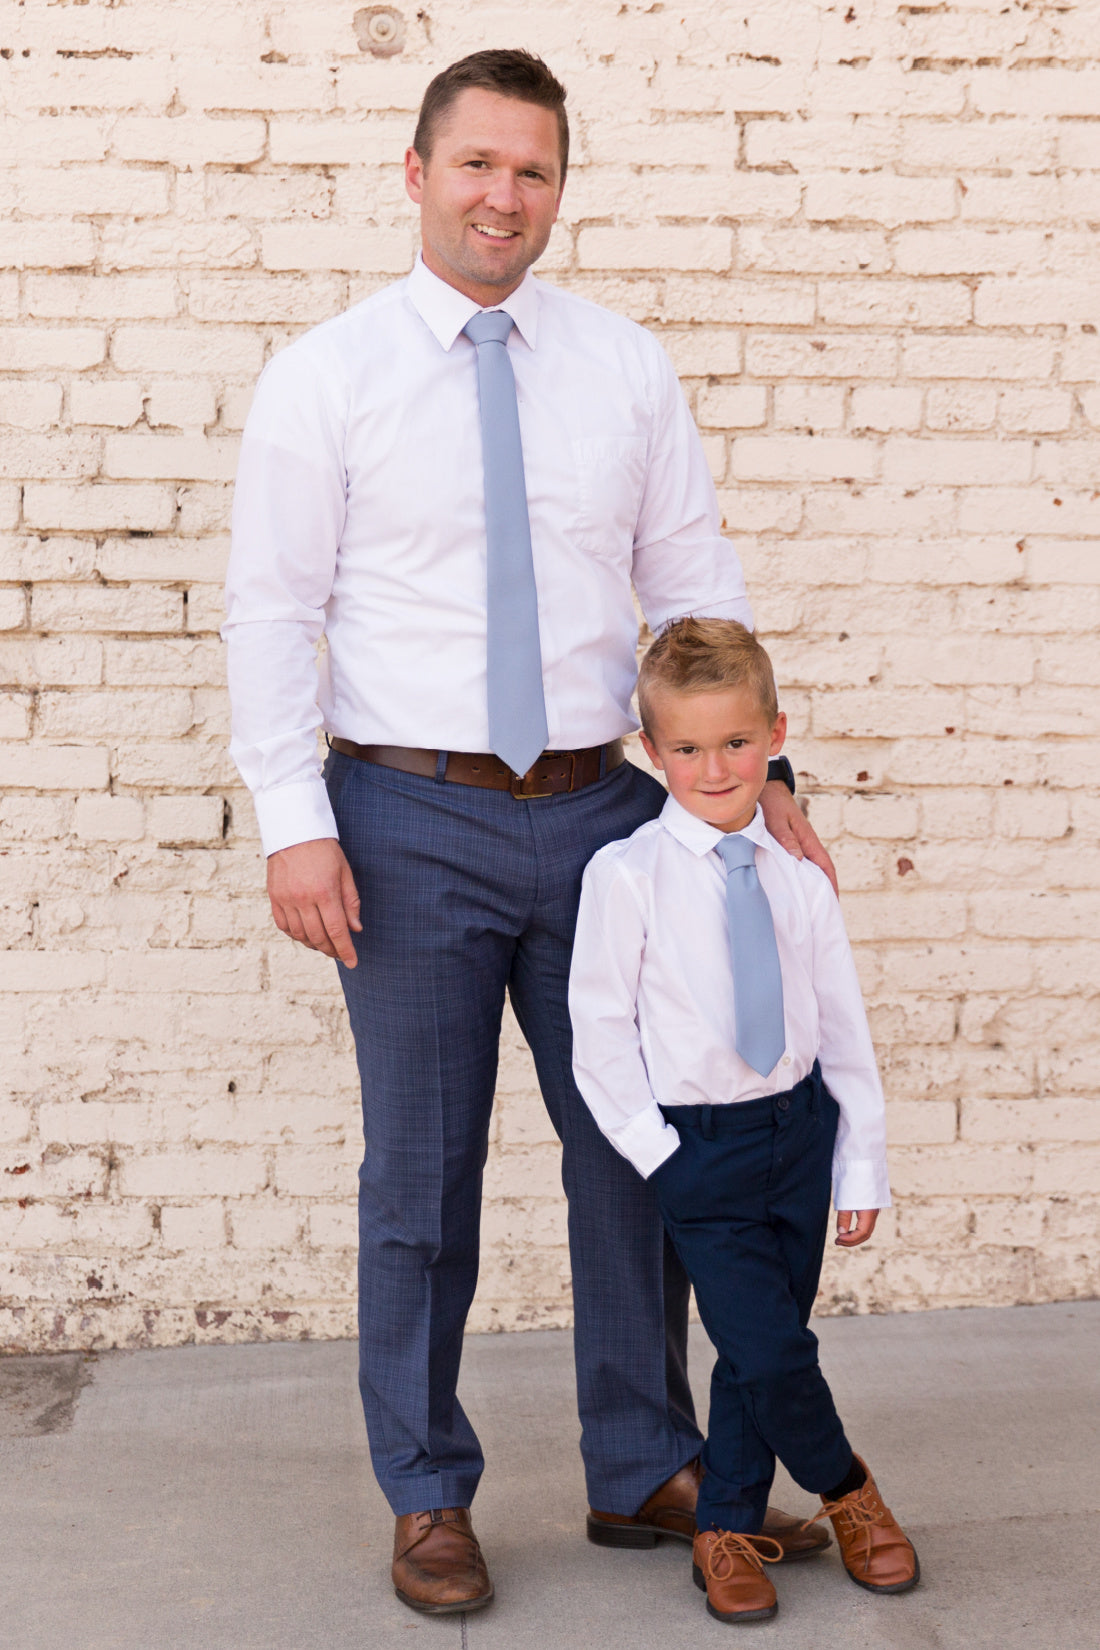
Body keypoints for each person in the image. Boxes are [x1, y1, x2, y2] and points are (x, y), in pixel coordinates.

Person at [223, 49, 837, 1615]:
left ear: (562, 189)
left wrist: (769, 789)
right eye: (479, 164)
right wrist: (298, 822)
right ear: (417, 173)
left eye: (536, 171)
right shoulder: (328, 375)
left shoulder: (622, 366)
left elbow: (695, 584)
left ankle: (645, 1462)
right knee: (421, 1177)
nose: (506, 195)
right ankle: (430, 1488)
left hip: (613, 820)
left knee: (642, 1153)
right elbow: (272, 611)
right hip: (408, 813)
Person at [569, 617, 919, 1625]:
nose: (712, 766)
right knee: (773, 1352)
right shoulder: (624, 876)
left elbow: (841, 1034)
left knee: (756, 1351)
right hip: (698, 1153)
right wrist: (659, 1159)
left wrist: (859, 1169)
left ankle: (724, 1525)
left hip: (798, 1136)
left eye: (733, 743)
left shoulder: (796, 878)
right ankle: (848, 1490)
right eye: (685, 748)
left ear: (773, 735)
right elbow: (597, 1032)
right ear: (650, 751)